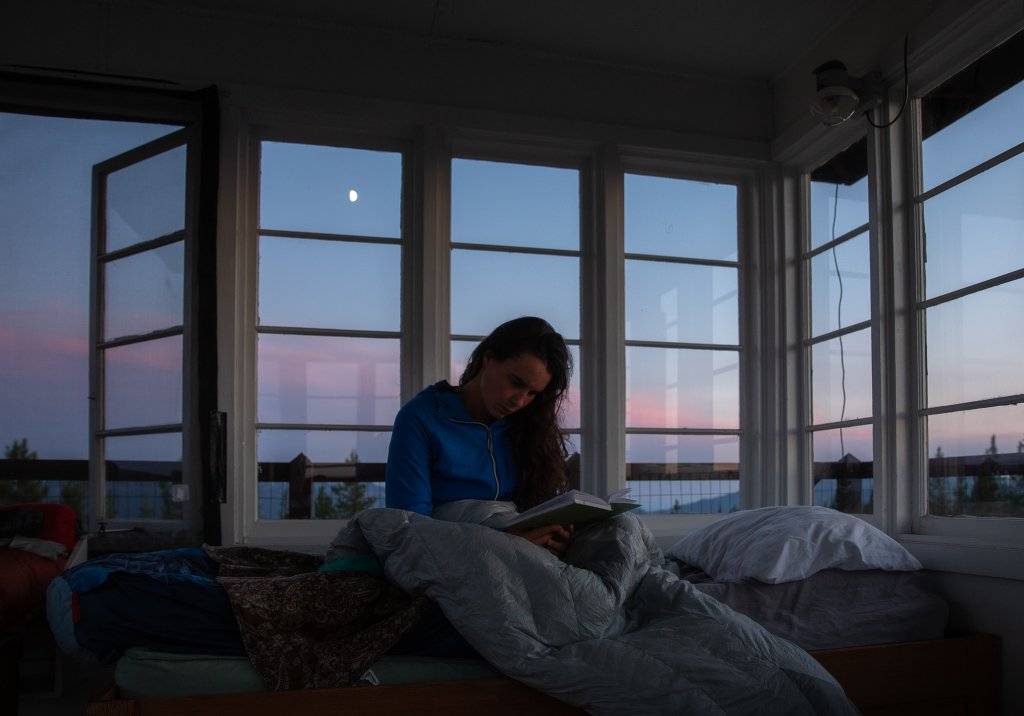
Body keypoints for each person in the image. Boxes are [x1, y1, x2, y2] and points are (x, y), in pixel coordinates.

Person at [385, 315, 574, 556]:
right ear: (489, 358)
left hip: (524, 545)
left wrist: (557, 535)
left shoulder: (527, 427)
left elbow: (535, 511)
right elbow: (410, 524)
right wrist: (502, 543)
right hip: (457, 551)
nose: (519, 401)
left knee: (625, 528)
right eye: (516, 382)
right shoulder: (421, 418)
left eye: (532, 393)